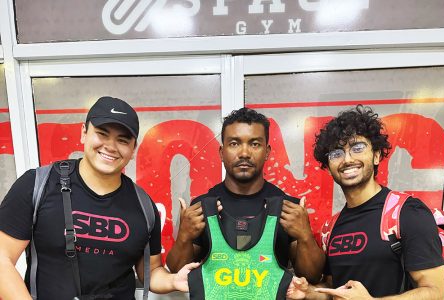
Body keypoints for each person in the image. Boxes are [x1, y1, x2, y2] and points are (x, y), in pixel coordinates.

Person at [0, 96, 198, 300]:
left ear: (133, 149)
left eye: (122, 140)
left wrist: (174, 280)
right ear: (84, 133)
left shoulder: (143, 205)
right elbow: (2, 259)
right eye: (102, 134)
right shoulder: (38, 184)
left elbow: (151, 272)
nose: (111, 146)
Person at [287, 104, 444, 299]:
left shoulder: (406, 212)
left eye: (357, 147)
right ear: (328, 168)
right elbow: (335, 291)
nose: (347, 159)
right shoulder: (332, 227)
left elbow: (435, 293)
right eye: (336, 153)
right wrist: (310, 293)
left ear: (377, 155)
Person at [166, 107, 325, 297]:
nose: (244, 153)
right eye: (234, 143)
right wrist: (184, 236)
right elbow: (177, 272)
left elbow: (312, 276)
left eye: (255, 144)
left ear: (267, 152)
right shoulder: (203, 206)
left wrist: (305, 235)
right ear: (221, 152)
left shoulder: (287, 207)